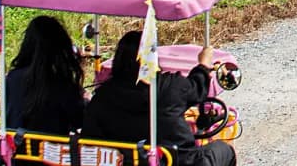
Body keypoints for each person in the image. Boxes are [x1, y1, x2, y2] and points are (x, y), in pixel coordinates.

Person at [83, 31, 235, 166]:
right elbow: (198, 87)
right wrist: (203, 64)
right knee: (224, 150)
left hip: (125, 161)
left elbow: (89, 137)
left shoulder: (102, 96)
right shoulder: (170, 86)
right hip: (180, 160)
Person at [6, 16, 86, 137]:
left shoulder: (13, 79)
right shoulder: (62, 84)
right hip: (51, 152)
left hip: (16, 150)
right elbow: (79, 119)